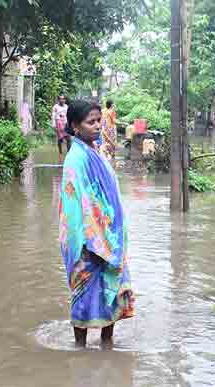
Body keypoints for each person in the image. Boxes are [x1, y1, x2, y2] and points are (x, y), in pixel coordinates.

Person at [59, 100, 134, 347]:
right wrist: (92, 238)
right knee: (83, 298)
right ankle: (79, 350)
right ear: (75, 126)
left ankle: (107, 344)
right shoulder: (75, 159)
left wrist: (110, 231)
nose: (98, 126)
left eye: (99, 120)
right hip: (87, 241)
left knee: (108, 294)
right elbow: (72, 205)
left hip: (108, 237)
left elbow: (107, 192)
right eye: (91, 122)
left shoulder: (96, 151)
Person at [100, 99, 118, 165]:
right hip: (111, 129)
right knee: (112, 142)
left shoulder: (103, 110)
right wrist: (122, 123)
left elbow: (101, 121)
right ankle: (112, 156)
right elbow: (114, 121)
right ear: (111, 104)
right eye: (113, 104)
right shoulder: (112, 111)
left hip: (104, 129)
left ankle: (106, 155)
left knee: (106, 142)